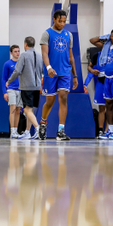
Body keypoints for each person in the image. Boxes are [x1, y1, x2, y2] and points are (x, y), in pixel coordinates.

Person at [40, 9, 79, 141]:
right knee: (50, 102)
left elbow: (71, 56)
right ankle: (43, 123)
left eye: (64, 21)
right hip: (51, 73)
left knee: (63, 97)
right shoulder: (47, 34)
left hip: (65, 72)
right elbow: (44, 54)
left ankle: (61, 131)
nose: (62, 23)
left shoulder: (69, 35)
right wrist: (49, 67)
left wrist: (75, 75)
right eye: (60, 21)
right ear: (54, 19)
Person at [6, 36, 44, 140]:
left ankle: (38, 128)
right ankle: (27, 132)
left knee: (27, 111)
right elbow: (43, 72)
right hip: (37, 87)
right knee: (30, 110)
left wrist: (9, 81)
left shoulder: (23, 55)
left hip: (27, 87)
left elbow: (17, 71)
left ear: (25, 44)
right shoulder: (40, 56)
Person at [2, 45, 22, 139]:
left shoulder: (22, 63)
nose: (17, 53)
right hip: (11, 89)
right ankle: (12, 131)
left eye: (18, 51)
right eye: (15, 51)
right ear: (11, 53)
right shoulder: (7, 64)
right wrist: (4, 92)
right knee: (13, 109)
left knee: (18, 110)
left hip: (21, 89)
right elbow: (3, 78)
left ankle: (16, 130)